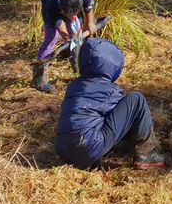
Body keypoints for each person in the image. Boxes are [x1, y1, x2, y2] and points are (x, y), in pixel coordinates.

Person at [54, 38, 165, 169]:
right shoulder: (110, 91)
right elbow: (125, 117)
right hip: (88, 146)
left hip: (62, 148)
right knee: (136, 100)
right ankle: (147, 155)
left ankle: (111, 149)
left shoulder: (73, 86)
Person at [32, 0, 98, 91]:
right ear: (61, 9)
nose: (69, 16)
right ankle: (38, 79)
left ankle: (78, 70)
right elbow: (60, 26)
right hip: (50, 2)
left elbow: (89, 7)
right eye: (66, 14)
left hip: (71, 6)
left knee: (76, 36)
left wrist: (90, 23)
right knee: (51, 38)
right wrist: (68, 40)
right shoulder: (51, 5)